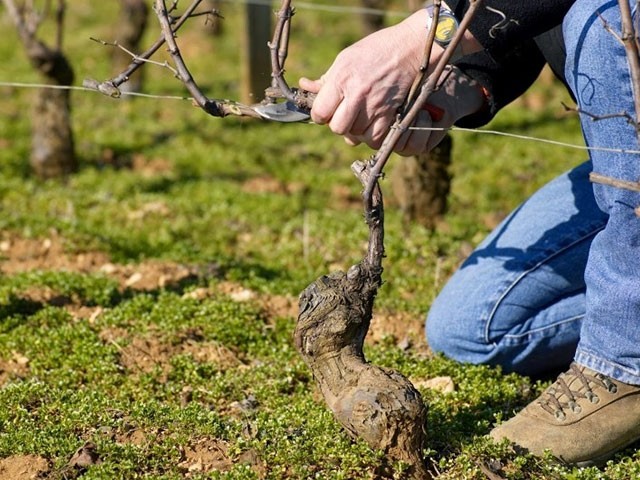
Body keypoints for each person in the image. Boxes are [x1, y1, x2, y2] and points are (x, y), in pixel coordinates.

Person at [299, 0, 640, 467]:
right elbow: (544, 17)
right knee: (473, 328)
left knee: (607, 19)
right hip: (624, 166)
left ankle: (624, 364)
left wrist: (426, 33)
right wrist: (463, 83)